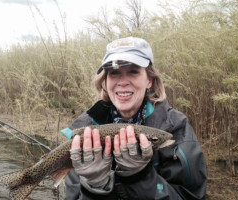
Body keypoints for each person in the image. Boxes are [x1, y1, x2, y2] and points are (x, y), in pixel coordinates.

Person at [61, 36, 207, 200]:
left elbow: (192, 196)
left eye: (133, 71)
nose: (123, 82)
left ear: (149, 80)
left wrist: (140, 177)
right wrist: (94, 188)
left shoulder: (175, 126)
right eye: (114, 73)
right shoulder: (85, 129)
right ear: (105, 81)